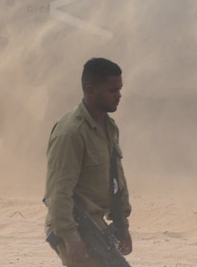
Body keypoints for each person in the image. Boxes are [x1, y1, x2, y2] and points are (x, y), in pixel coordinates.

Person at [44, 57, 132, 266]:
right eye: (112, 91)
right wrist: (70, 239)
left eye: (119, 89)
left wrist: (122, 225)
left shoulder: (108, 127)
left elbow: (115, 179)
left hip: (96, 225)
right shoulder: (71, 132)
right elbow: (57, 191)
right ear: (91, 90)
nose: (119, 96)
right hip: (74, 226)